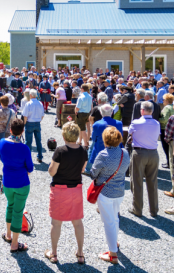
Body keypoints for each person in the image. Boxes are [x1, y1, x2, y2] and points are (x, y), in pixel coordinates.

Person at [45, 122, 87, 264]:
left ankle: (54, 253)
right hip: (75, 189)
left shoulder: (60, 151)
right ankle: (80, 253)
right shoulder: (83, 151)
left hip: (60, 190)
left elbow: (52, 172)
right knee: (78, 222)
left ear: (64, 135)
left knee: (56, 223)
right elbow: (82, 170)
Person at [90, 126, 130, 264]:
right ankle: (115, 243)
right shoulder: (125, 153)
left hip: (106, 192)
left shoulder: (103, 154)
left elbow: (93, 173)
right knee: (115, 219)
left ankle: (112, 254)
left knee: (108, 222)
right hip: (119, 191)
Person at [0, 118, 34, 252]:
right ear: (22, 131)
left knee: (10, 206)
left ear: (10, 130)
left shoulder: (2, 143)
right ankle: (14, 243)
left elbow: (1, 157)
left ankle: (8, 234)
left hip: (7, 181)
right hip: (21, 182)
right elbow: (30, 168)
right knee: (18, 212)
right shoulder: (24, 148)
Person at [127, 101, 160, 217]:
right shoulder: (156, 123)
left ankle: (137, 208)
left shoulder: (136, 122)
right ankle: (154, 210)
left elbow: (130, 133)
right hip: (153, 153)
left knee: (137, 181)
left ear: (142, 110)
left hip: (139, 153)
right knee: (152, 182)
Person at [86, 104, 123, 174]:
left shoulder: (97, 124)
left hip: (100, 151)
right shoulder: (119, 123)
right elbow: (121, 138)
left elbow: (93, 139)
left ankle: (88, 169)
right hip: (115, 152)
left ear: (101, 112)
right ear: (112, 112)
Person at [21, 89, 45, 162]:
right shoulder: (40, 103)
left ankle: (28, 158)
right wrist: (39, 120)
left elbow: (25, 115)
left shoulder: (28, 104)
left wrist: (24, 123)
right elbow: (42, 115)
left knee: (28, 142)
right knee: (38, 141)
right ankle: (40, 156)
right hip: (37, 123)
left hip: (29, 123)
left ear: (30, 95)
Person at [159, 94, 174, 167]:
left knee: (166, 147)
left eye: (163, 99)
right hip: (173, 128)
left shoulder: (166, 108)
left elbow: (164, 119)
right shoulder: (173, 107)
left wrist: (156, 119)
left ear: (166, 100)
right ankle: (171, 162)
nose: (162, 101)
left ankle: (169, 162)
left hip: (165, 128)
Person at [75, 84, 92, 148]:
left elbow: (77, 107)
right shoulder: (90, 96)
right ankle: (80, 141)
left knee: (82, 129)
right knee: (83, 128)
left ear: (82, 89)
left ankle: (85, 144)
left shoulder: (81, 97)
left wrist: (75, 112)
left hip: (81, 114)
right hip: (87, 113)